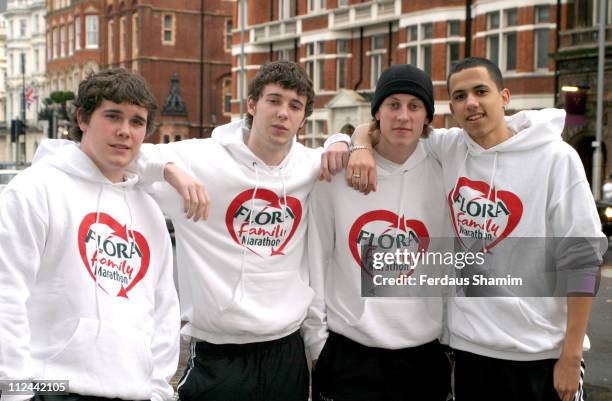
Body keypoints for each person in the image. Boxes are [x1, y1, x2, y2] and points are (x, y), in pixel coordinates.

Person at [345, 57, 605, 401]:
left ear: (504, 97)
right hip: (470, 353)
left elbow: (583, 259)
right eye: (459, 96)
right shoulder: (451, 147)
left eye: (480, 91)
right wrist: (355, 143)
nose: (470, 103)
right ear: (451, 107)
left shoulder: (556, 159)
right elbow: (389, 125)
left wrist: (571, 355)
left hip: (540, 353)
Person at [138, 60, 350, 401]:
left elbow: (362, 147)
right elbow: (123, 154)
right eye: (274, 100)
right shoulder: (201, 158)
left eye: (294, 106)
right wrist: (169, 169)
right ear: (252, 104)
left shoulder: (310, 166)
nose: (283, 113)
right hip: (218, 355)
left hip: (285, 351)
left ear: (303, 118)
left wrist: (344, 140)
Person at [0, 69, 180, 401]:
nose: (125, 131)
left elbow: (164, 309)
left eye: (137, 122)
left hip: (134, 392)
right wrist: (15, 393)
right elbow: (6, 296)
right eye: (113, 116)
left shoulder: (149, 210)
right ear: (82, 118)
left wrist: (157, 392)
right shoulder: (35, 189)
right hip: (52, 390)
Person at [305, 64, 452, 401]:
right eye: (393, 104)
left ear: (427, 117)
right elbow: (316, 259)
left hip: (423, 357)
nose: (403, 116)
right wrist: (316, 345)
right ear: (377, 112)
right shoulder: (336, 176)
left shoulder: (445, 171)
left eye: (414, 106)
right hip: (349, 354)